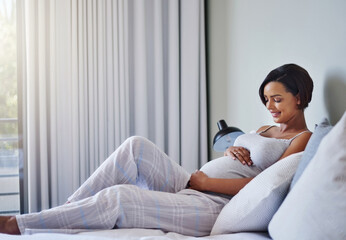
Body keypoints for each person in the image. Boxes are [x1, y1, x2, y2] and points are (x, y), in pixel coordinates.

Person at [0, 63, 314, 236]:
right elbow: (246, 157)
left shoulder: (303, 138)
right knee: (135, 146)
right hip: (195, 183)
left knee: (120, 198)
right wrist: (233, 150)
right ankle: (67, 209)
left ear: (298, 97)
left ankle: (20, 224)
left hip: (213, 202)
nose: (269, 106)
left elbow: (264, 184)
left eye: (277, 99)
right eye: (266, 99)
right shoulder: (265, 129)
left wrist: (204, 182)